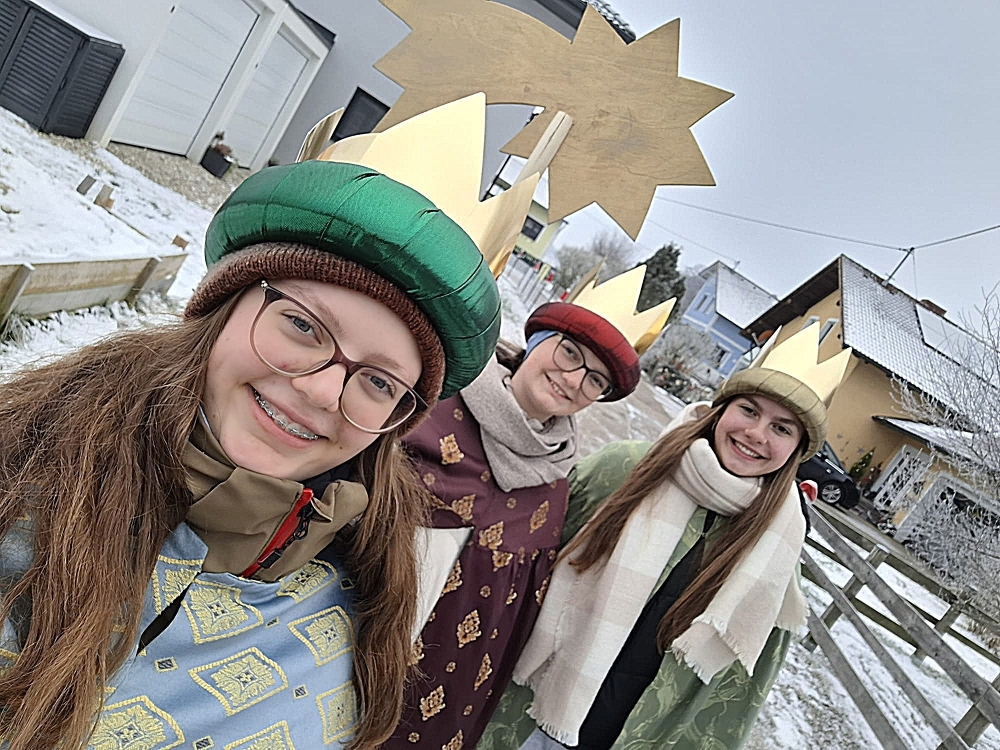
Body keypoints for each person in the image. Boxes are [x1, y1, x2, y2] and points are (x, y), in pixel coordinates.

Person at [0, 94, 539, 750]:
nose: (322, 391)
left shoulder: (363, 605)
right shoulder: (18, 482)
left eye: (378, 382)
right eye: (302, 325)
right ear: (222, 307)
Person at [480, 323, 852, 750]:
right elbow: (524, 566)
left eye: (782, 428)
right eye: (749, 410)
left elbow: (736, 693)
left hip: (632, 736)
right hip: (529, 710)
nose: (756, 434)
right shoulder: (624, 469)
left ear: (798, 450)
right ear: (721, 410)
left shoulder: (774, 554)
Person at [386, 274, 676, 749]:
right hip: (351, 635)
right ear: (538, 340)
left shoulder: (554, 487)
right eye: (570, 353)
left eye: (595, 380)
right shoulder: (435, 398)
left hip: (436, 695)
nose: (573, 380)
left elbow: (510, 615)